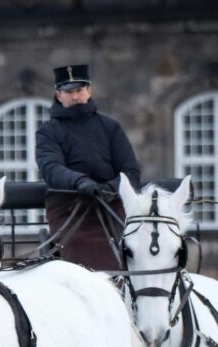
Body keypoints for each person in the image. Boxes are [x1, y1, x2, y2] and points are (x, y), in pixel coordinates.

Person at [35, 63, 141, 270]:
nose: (75, 96)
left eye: (79, 90)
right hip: (70, 207)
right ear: (58, 95)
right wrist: (80, 182)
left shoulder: (110, 127)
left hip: (111, 205)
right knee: (77, 246)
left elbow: (130, 171)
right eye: (69, 92)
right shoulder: (48, 131)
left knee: (134, 248)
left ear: (88, 91)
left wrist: (110, 188)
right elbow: (51, 168)